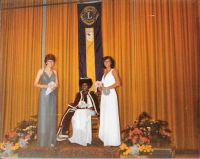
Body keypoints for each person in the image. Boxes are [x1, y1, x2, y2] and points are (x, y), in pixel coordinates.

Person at [56, 78, 100, 146]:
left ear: (89, 86)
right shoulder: (79, 94)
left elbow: (96, 104)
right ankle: (76, 135)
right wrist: (80, 106)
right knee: (76, 112)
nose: (84, 87)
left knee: (80, 113)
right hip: (81, 111)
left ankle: (81, 136)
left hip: (90, 111)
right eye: (83, 85)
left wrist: (93, 108)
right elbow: (76, 103)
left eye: (86, 85)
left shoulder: (92, 93)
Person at [34, 54, 58, 147]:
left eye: (53, 61)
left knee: (51, 116)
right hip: (44, 95)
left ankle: (51, 141)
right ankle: (43, 141)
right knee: (43, 116)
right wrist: (45, 86)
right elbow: (35, 84)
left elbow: (57, 84)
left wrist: (53, 86)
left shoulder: (55, 72)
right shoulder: (41, 71)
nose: (51, 63)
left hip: (52, 95)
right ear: (46, 62)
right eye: (49, 61)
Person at [98, 56, 121, 146]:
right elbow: (103, 84)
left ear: (111, 62)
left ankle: (113, 140)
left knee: (111, 115)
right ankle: (106, 138)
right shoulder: (104, 72)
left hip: (111, 95)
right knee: (105, 114)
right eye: (105, 61)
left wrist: (107, 87)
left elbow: (118, 83)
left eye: (108, 61)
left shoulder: (114, 70)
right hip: (104, 95)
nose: (106, 63)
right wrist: (100, 87)